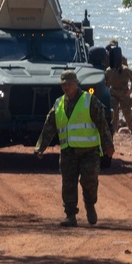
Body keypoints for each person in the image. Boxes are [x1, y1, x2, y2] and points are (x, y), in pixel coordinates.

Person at [34, 70, 115, 227]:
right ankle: (70, 215)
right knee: (68, 183)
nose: (66, 87)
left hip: (89, 151)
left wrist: (107, 144)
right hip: (68, 150)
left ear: (76, 83)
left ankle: (90, 205)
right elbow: (49, 126)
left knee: (89, 181)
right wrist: (40, 147)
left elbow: (102, 123)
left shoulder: (88, 100)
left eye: (69, 84)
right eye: (63, 84)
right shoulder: (59, 103)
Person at [105, 55, 132, 136]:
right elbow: (106, 83)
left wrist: (130, 90)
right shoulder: (109, 70)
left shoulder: (126, 70)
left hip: (124, 93)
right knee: (114, 114)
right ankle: (113, 132)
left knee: (127, 113)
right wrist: (107, 92)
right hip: (113, 93)